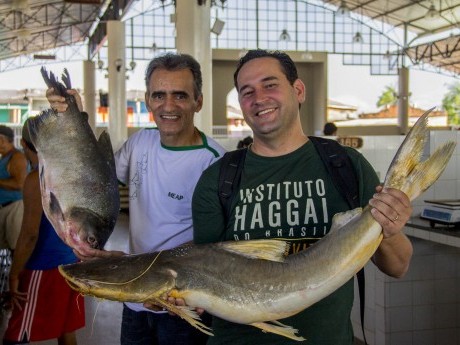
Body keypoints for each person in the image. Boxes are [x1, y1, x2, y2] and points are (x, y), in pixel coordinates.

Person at [191, 49, 413, 344]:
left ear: (298, 90)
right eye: (247, 92)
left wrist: (391, 229)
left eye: (270, 85)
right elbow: (203, 277)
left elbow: (397, 266)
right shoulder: (217, 179)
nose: (258, 98)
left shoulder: (346, 166)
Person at [46, 53, 226, 345]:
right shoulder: (140, 142)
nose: (168, 106)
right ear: (147, 99)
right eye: (159, 95)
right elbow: (94, 180)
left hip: (183, 305)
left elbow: (214, 243)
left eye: (180, 95)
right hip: (134, 300)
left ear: (199, 101)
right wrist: (74, 117)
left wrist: (141, 268)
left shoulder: (215, 161)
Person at [3, 118, 85, 345]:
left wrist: (14, 273)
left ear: (27, 145)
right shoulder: (71, 172)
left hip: (44, 265)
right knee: (67, 330)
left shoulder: (36, 178)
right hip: (71, 262)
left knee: (17, 334)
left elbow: (30, 234)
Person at [0, 125, 27, 252]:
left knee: (15, 248)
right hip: (5, 207)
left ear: (2, 140)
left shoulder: (17, 157)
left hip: (14, 207)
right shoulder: (4, 157)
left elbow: (20, 184)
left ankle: (17, 272)